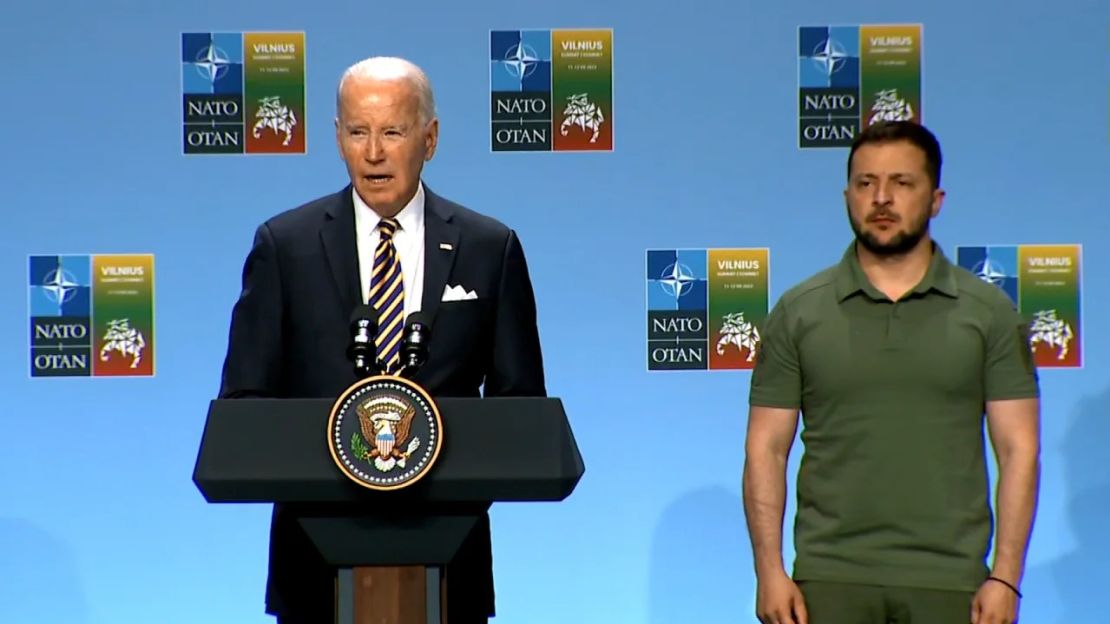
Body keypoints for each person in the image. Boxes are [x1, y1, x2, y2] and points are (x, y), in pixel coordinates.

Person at [217, 56, 546, 624]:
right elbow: (245, 407)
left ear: (430, 137)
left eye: (392, 131)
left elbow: (520, 410)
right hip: (313, 564)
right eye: (357, 132)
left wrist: (447, 489)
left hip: (449, 565)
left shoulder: (490, 247)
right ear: (337, 137)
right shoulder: (284, 246)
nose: (373, 153)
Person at [742, 121, 1040, 624]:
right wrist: (769, 572)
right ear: (847, 196)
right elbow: (765, 448)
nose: (882, 198)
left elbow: (1019, 450)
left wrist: (1006, 575)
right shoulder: (799, 312)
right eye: (866, 184)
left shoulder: (988, 314)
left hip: (953, 585)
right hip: (828, 583)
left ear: (936, 198)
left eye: (902, 183)